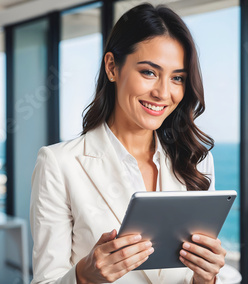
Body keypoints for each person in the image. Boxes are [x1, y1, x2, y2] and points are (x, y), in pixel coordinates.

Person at [30, 3, 227, 284]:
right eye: (149, 72)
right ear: (112, 67)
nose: (162, 93)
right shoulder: (59, 164)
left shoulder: (195, 161)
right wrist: (84, 277)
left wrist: (205, 278)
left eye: (177, 78)